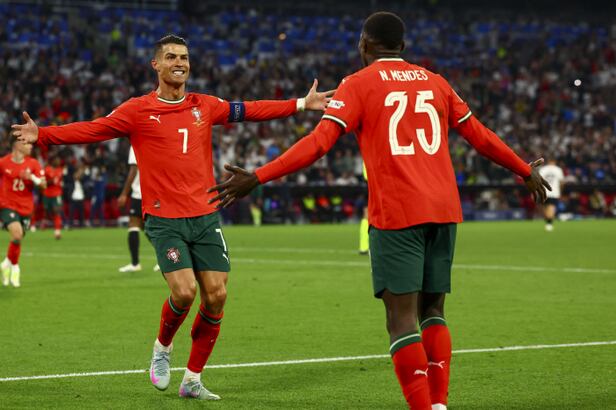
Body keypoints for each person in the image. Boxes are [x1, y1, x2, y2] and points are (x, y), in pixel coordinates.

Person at [208, 12, 550, 410]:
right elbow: (480, 136)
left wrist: (259, 176)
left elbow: (318, 144)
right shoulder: (436, 82)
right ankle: (439, 404)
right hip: (444, 208)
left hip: (398, 212)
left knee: (400, 319)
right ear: (402, 47)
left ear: (364, 45)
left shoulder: (357, 84)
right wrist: (523, 169)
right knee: (433, 310)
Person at [12, 34, 332, 400]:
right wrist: (43, 135)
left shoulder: (204, 105)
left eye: (184, 57)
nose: (179, 62)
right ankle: (162, 347)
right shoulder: (137, 110)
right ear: (156, 64)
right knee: (184, 291)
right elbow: (93, 129)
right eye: (171, 57)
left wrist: (301, 104)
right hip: (164, 218)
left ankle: (192, 379)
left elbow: (250, 109)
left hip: (205, 215)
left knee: (216, 295)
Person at [0, 140, 46, 287]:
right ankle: (15, 268)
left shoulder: (34, 163)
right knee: (17, 234)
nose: (31, 146)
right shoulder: (3, 162)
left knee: (17, 239)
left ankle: (6, 263)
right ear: (18, 145)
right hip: (7, 205)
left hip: (26, 208)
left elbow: (44, 185)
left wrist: (31, 177)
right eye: (27, 143)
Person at [117, 146, 159, 272]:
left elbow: (133, 171)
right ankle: (165, 258)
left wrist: (124, 193)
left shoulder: (136, 144)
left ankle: (135, 264)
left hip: (140, 192)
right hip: (154, 191)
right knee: (145, 226)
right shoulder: (153, 142)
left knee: (135, 224)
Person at [538, 159, 565, 231]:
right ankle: (549, 223)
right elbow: (562, 182)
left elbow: (538, 181)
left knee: (545, 208)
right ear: (554, 162)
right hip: (554, 192)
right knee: (551, 207)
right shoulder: (558, 169)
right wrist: (560, 191)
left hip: (544, 192)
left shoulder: (543, 169)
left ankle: (548, 222)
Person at [42, 155, 65, 239]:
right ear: (53, 161)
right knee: (47, 212)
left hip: (57, 194)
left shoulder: (60, 170)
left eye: (59, 160)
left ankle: (57, 232)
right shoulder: (47, 170)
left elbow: (60, 181)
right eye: (57, 160)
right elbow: (42, 182)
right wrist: (50, 182)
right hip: (47, 194)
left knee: (57, 211)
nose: (59, 162)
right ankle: (45, 223)